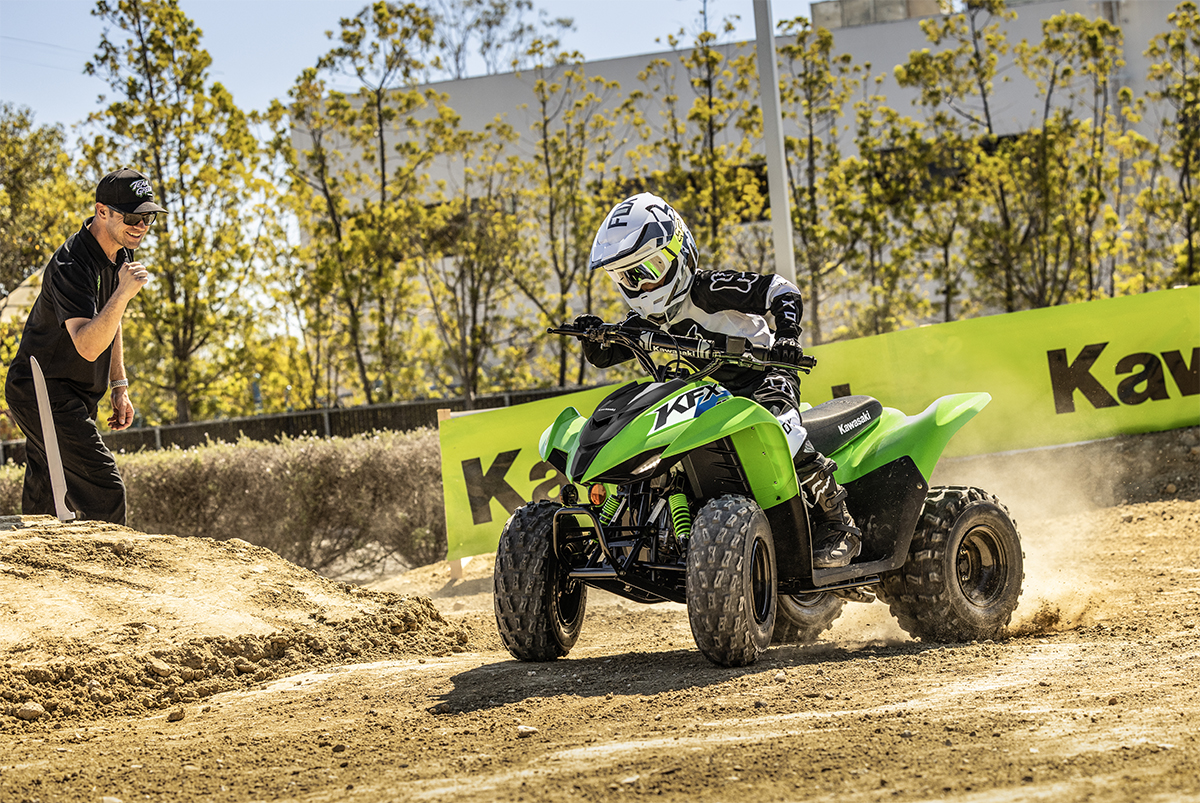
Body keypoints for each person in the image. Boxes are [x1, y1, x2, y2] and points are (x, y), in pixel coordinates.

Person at [576, 192, 861, 568]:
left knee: (781, 427)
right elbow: (605, 355)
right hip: (705, 395)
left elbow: (781, 289)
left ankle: (839, 524)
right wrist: (592, 333)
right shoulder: (648, 319)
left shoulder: (709, 288)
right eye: (627, 277)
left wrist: (789, 335)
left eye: (648, 270)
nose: (641, 286)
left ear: (680, 253)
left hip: (762, 376)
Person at [4, 167, 163, 525]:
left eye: (148, 217)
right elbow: (88, 346)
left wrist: (119, 385)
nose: (141, 226)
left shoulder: (118, 253)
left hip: (73, 393)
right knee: (104, 492)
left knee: (46, 492)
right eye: (133, 217)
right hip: (42, 391)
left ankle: (33, 576)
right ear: (101, 211)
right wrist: (123, 293)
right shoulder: (71, 264)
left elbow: (111, 320)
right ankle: (110, 579)